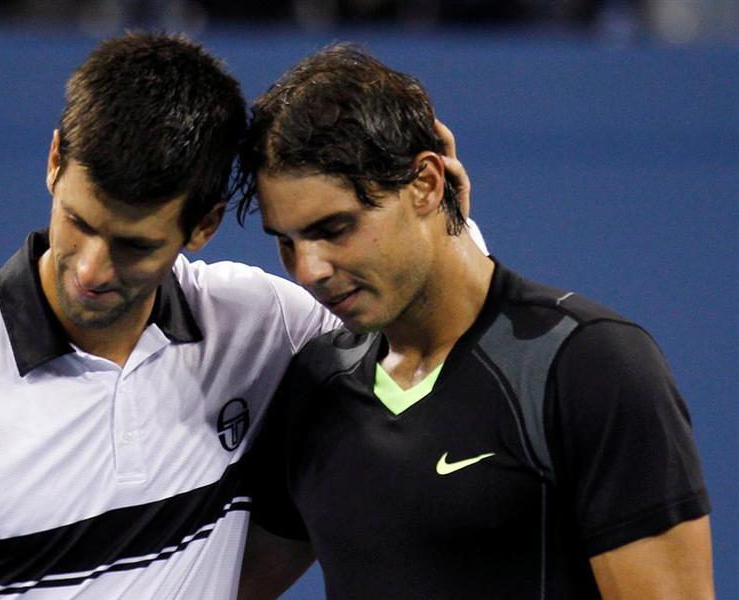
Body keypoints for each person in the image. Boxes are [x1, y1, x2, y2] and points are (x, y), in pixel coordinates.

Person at [0, 33, 347, 600]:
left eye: (134, 246)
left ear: (204, 225)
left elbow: (403, 349)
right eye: (78, 222)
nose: (91, 270)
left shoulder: (267, 326)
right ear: (55, 161)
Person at [236, 44, 713, 599]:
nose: (308, 270)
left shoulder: (591, 365)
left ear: (426, 184)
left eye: (334, 229)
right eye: (287, 242)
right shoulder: (315, 383)